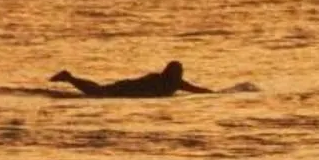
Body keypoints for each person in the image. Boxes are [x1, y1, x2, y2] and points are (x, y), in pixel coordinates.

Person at [51, 60, 213, 97]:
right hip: (125, 89)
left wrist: (214, 94)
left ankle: (70, 78)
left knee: (98, 91)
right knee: (98, 92)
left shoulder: (176, 83)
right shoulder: (159, 79)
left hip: (126, 89)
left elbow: (197, 90)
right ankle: (70, 78)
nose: (181, 74)